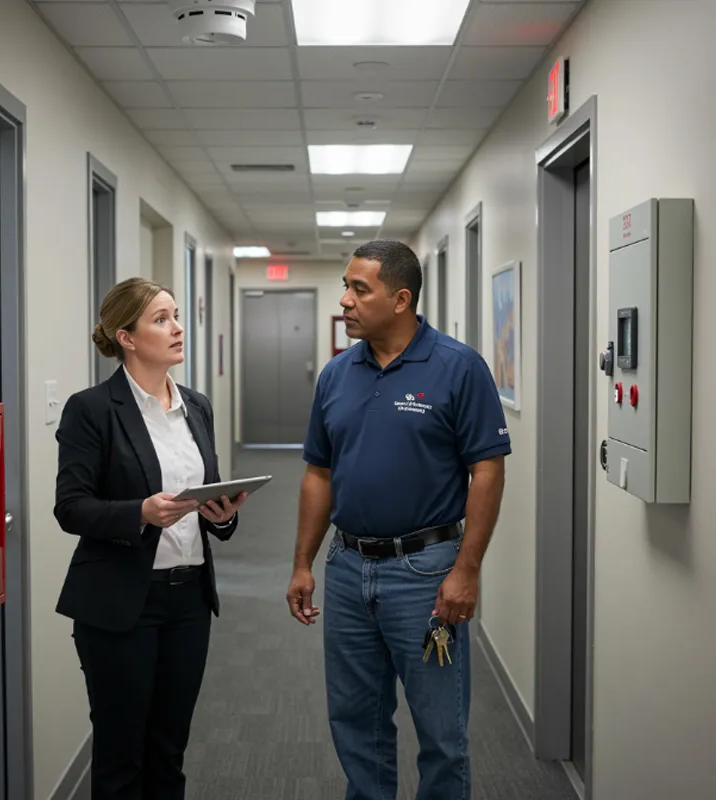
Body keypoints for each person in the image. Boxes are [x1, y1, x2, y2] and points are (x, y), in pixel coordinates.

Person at [285, 240, 511, 800]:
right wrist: (302, 564)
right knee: (357, 727)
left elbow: (487, 472)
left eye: (360, 289)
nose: (345, 300)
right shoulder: (337, 375)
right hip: (347, 566)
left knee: (441, 734)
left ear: (401, 299)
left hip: (426, 572)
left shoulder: (458, 367)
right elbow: (319, 473)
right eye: (346, 285)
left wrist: (467, 570)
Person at [54, 277, 247, 800]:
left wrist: (223, 515)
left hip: (188, 601)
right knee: (121, 757)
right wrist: (139, 512)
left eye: (177, 315)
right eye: (161, 319)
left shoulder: (197, 406)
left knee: (169, 750)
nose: (178, 328)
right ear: (127, 337)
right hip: (121, 604)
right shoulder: (92, 409)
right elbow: (70, 508)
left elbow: (206, 505)